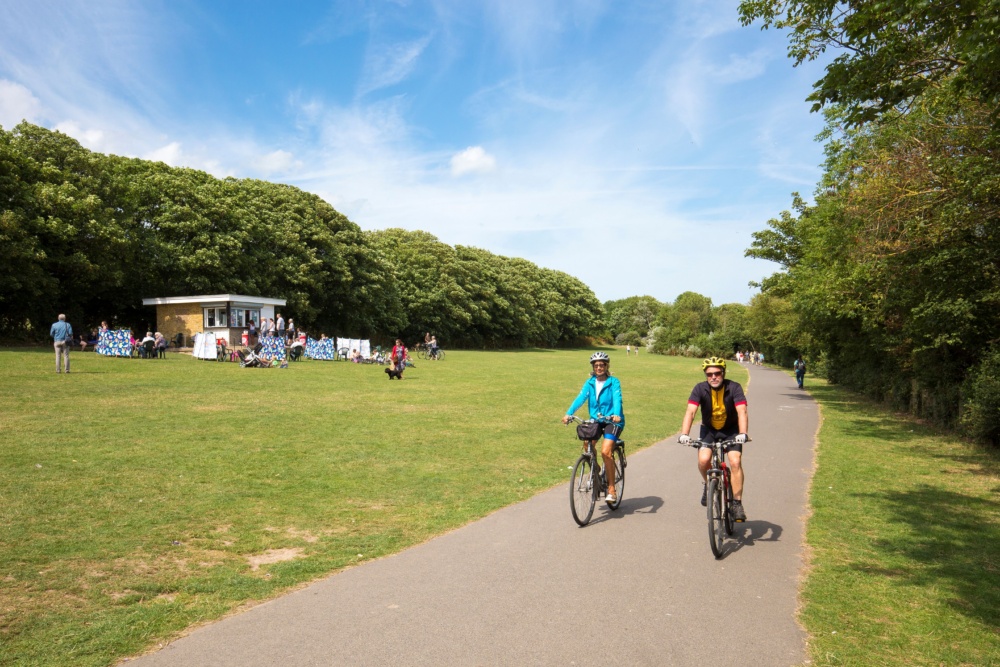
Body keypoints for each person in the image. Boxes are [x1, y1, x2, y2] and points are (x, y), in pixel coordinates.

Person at [677, 356, 749, 522]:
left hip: (731, 431)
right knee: (703, 461)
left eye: (717, 373)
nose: (713, 377)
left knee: (735, 461)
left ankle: (737, 504)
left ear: (723, 373)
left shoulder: (734, 387)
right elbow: (691, 411)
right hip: (709, 430)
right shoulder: (700, 389)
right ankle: (709, 484)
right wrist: (684, 434)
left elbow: (742, 411)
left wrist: (743, 433)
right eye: (709, 374)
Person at [561, 352, 625, 505]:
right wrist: (568, 413)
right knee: (587, 446)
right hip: (596, 420)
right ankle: (596, 472)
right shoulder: (589, 383)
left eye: (601, 365)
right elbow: (581, 398)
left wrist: (616, 414)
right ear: (593, 367)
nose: (599, 367)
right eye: (596, 365)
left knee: (605, 452)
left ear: (606, 366)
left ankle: (611, 489)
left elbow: (617, 398)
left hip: (612, 421)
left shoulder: (613, 382)